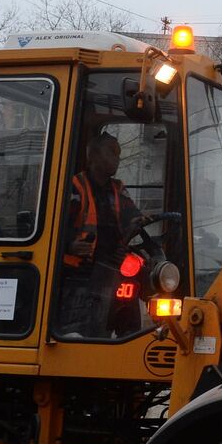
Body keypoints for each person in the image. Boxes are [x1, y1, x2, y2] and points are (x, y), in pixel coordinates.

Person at [56, 132, 146, 338]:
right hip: (78, 274)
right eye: (113, 152)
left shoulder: (118, 189)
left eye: (119, 153)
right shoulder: (75, 187)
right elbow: (56, 225)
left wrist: (139, 221)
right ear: (93, 156)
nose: (118, 158)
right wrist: (68, 244)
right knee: (79, 334)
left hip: (111, 269)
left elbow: (132, 216)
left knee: (130, 321)